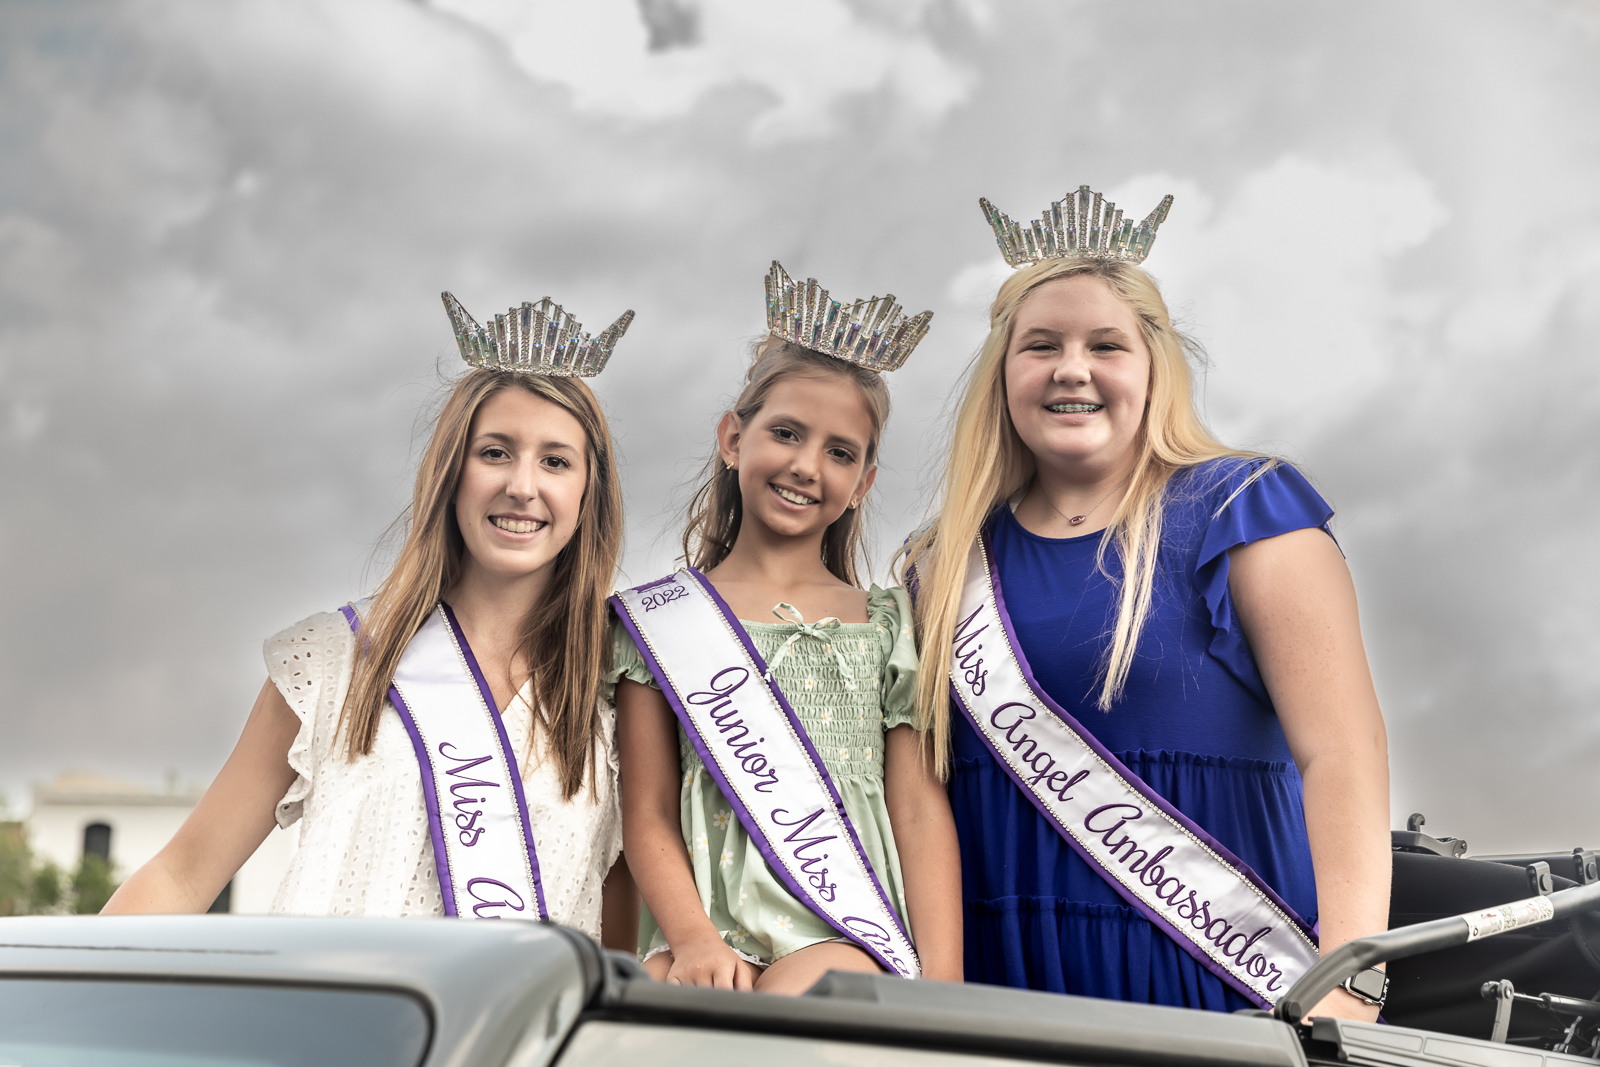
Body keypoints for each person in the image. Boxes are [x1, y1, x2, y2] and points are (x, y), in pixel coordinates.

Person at [902, 186, 1391, 1018]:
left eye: (1106, 345)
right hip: (1007, 995)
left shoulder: (1244, 512)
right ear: (1003, 373)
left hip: (1224, 992)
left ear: (1154, 366)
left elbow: (1345, 752)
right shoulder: (940, 567)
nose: (1071, 368)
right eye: (1040, 345)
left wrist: (1347, 984)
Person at [104, 293, 639, 946]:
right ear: (451, 472)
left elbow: (614, 952)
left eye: (555, 460)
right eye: (495, 452)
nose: (522, 485)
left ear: (588, 492)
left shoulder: (616, 700)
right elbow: (184, 875)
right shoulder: (337, 659)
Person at [610, 262, 963, 994]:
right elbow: (643, 811)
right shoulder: (657, 622)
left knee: (800, 1017)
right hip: (694, 930)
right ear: (732, 438)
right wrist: (693, 939)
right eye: (787, 433)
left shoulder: (885, 622)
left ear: (863, 482)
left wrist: (946, 982)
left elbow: (919, 807)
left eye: (840, 452)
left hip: (839, 927)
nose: (808, 465)